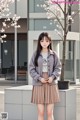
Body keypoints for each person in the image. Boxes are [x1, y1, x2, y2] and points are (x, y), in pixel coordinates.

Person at [29, 32, 61, 120]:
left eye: (46, 41)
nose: (44, 42)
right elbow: (31, 69)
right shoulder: (35, 54)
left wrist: (52, 77)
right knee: (41, 112)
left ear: (50, 42)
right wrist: (39, 78)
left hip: (51, 83)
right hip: (39, 84)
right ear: (39, 42)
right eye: (42, 40)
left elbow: (58, 68)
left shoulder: (54, 55)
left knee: (50, 113)